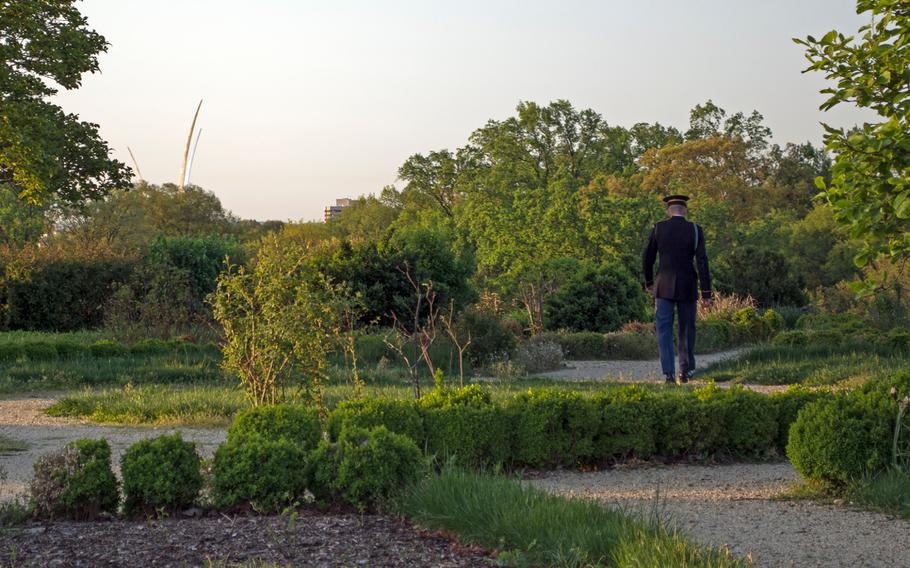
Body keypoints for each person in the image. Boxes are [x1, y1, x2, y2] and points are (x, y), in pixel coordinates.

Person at [642, 195, 712, 384]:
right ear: (685, 210)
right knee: (686, 328)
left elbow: (647, 257)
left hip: (663, 285)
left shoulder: (658, 228)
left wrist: (649, 281)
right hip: (687, 284)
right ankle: (685, 370)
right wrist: (706, 293)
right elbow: (702, 262)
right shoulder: (695, 230)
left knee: (663, 329)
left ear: (668, 210)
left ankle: (669, 373)